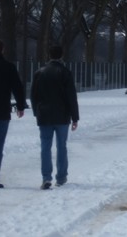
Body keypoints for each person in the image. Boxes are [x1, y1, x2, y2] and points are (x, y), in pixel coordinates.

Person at [30, 45, 79, 190]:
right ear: (61, 55)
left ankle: (46, 177)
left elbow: (33, 95)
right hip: (62, 115)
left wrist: (36, 111)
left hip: (44, 114)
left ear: (49, 55)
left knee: (45, 146)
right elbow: (71, 96)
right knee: (61, 145)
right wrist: (75, 117)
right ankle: (61, 177)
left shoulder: (39, 72)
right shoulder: (65, 72)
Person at [0, 38, 27, 190]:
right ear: (3, 50)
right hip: (1, 111)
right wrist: (20, 105)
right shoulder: (8, 67)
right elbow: (17, 87)